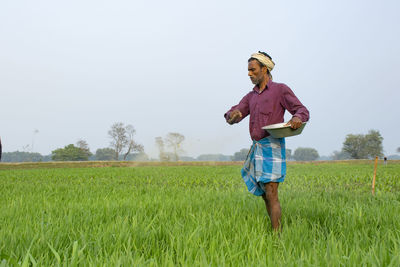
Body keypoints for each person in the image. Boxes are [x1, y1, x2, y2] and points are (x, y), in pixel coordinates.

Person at [224, 51, 309, 231]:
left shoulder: (280, 90)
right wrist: (232, 116)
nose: (249, 74)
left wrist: (297, 118)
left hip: (272, 145)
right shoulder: (251, 96)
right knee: (265, 194)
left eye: (253, 70)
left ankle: (276, 235)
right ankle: (274, 228)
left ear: (264, 69)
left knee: (271, 193)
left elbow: (301, 110)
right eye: (248, 70)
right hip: (257, 147)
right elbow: (236, 111)